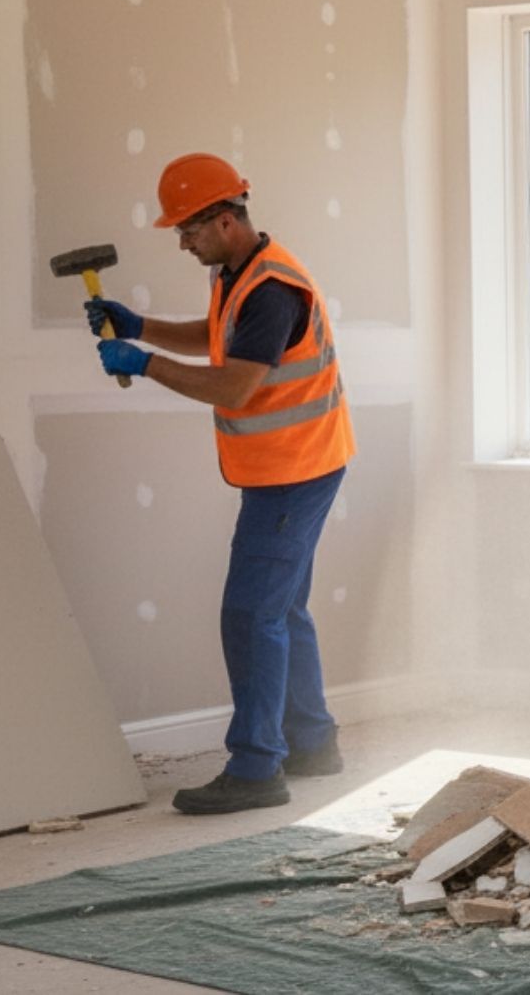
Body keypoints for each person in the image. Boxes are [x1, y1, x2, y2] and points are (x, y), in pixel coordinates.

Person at [87, 153, 356, 815]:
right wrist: (140, 326)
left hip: (293, 471)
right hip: (298, 463)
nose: (182, 242)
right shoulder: (237, 274)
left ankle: (257, 768)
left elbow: (234, 386)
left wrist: (145, 364)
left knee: (249, 614)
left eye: (187, 228)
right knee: (282, 609)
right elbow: (218, 340)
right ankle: (312, 743)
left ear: (226, 220)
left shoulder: (272, 291)